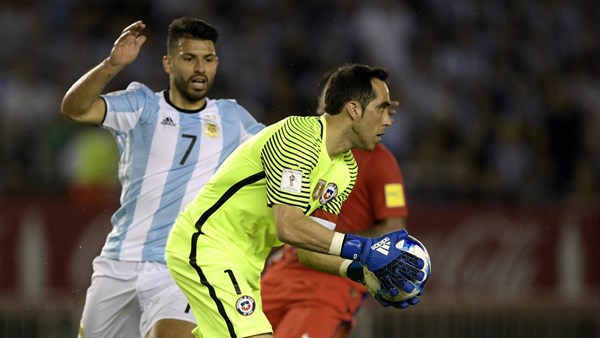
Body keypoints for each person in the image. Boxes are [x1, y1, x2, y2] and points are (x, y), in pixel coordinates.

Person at [165, 63, 424, 338]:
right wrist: (362, 248)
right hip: (208, 245)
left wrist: (360, 272)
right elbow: (288, 225)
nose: (388, 120)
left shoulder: (345, 169)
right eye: (382, 108)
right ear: (354, 109)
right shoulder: (298, 137)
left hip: (247, 263)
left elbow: (308, 250)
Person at [60, 17, 265, 338]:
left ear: (216, 64)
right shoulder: (142, 105)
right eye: (189, 58)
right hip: (119, 261)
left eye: (208, 59)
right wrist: (111, 65)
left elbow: (280, 152)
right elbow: (74, 109)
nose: (200, 68)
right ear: (168, 63)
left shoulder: (232, 118)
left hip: (183, 263)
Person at [260, 73, 409, 337]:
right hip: (286, 269)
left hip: (332, 281)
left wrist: (357, 251)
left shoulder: (379, 164)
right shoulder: (306, 148)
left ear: (352, 109)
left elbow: (392, 231)